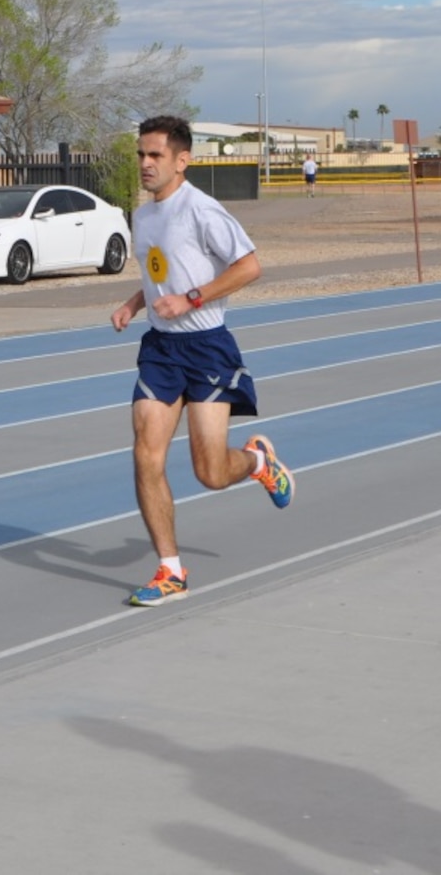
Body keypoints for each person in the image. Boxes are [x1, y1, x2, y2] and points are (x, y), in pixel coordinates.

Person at [111, 115, 292, 607]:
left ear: (182, 160)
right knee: (145, 454)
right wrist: (135, 303)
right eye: (141, 154)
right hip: (161, 350)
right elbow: (161, 275)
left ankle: (258, 461)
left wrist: (191, 299)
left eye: (155, 155)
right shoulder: (143, 216)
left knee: (210, 473)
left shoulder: (202, 210)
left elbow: (249, 266)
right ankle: (170, 570)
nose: (145, 163)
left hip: (207, 346)